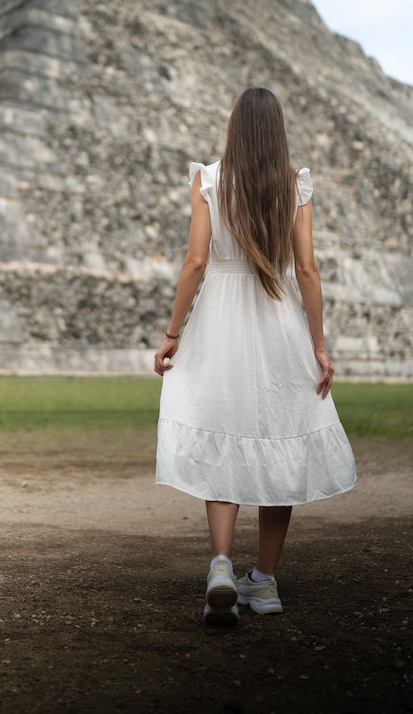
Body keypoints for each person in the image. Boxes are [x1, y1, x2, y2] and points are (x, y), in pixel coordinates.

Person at [154, 87, 356, 626]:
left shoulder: (209, 180)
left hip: (220, 320)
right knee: (277, 439)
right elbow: (308, 271)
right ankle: (263, 582)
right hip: (279, 321)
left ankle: (221, 565)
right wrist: (318, 342)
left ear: (234, 127)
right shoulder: (294, 186)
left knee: (220, 429)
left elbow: (196, 262)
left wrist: (174, 331)